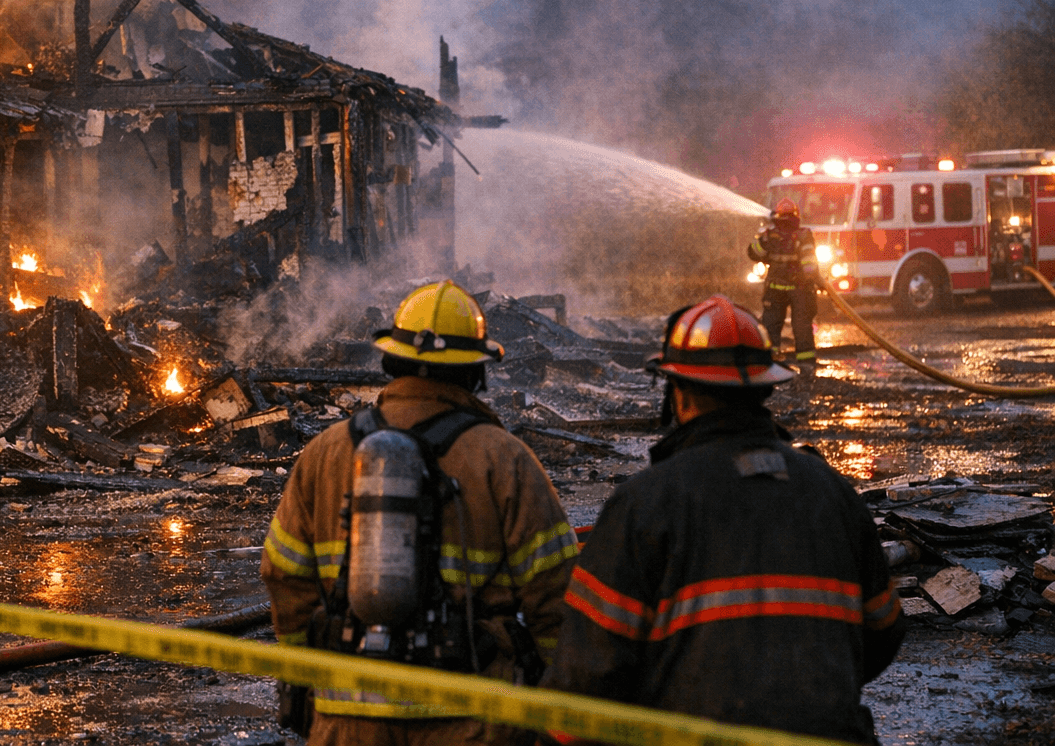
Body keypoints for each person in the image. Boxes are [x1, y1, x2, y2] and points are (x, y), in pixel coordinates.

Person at [545, 295, 904, 745]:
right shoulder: (833, 492)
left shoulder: (645, 504)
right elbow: (884, 632)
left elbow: (588, 673)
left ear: (678, 392)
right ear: (764, 390)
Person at [262, 280, 578, 746]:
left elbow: (282, 574)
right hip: (474, 721)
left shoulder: (324, 454)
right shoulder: (504, 459)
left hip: (347, 723)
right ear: (475, 371)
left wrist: (309, 675)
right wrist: (554, 708)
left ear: (392, 361)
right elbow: (557, 597)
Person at [747, 197, 820, 369]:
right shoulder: (803, 235)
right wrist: (814, 279)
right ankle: (807, 365)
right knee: (802, 327)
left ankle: (770, 364)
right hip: (800, 289)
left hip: (775, 289)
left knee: (771, 327)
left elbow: (752, 253)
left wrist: (763, 239)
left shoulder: (769, 236)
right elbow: (809, 263)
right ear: (796, 216)